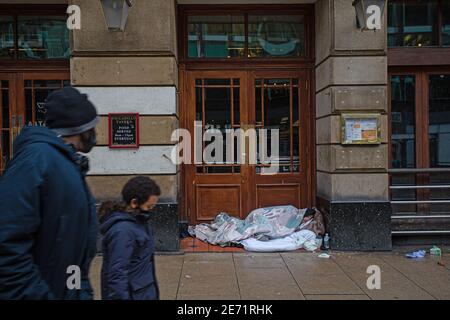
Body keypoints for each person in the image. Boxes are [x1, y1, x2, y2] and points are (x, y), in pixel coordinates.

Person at [0, 86, 99, 300]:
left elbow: (72, 257)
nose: (95, 133)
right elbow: (7, 247)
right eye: (93, 126)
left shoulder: (65, 161)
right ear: (82, 128)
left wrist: (78, 292)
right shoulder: (35, 161)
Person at [99, 176, 161, 300]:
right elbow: (117, 275)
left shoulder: (141, 222)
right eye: (149, 207)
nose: (151, 210)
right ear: (134, 203)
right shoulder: (122, 231)